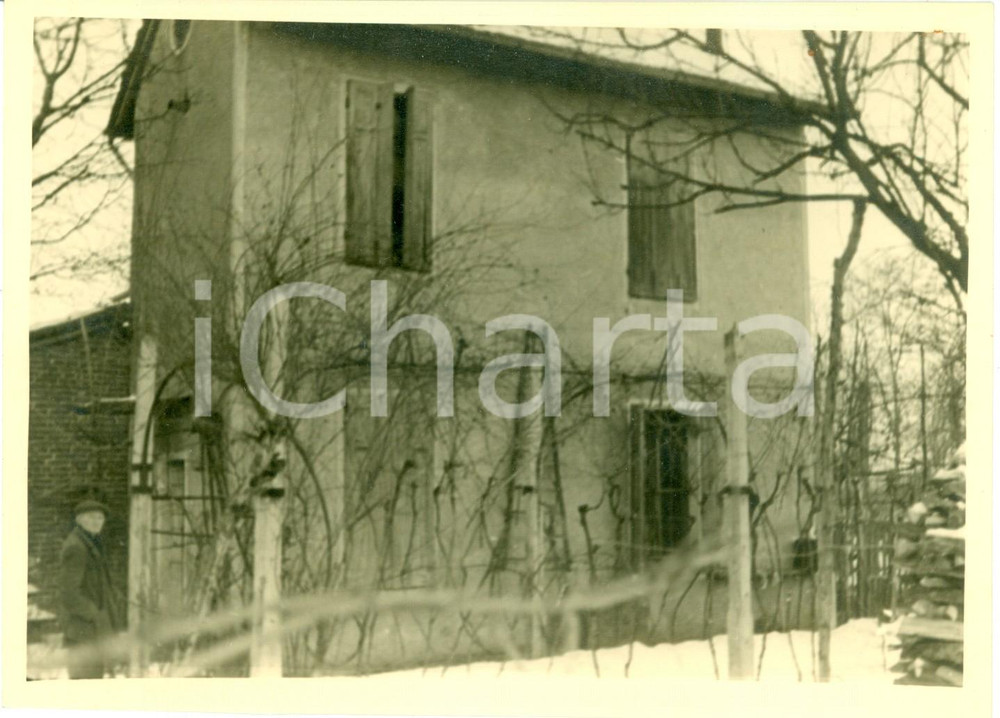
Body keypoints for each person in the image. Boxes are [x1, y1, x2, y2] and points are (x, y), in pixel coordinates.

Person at [59, 499, 118, 679]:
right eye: (92, 518)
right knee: (85, 683)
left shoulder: (90, 543)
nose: (97, 522)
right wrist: (94, 614)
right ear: (79, 520)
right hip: (83, 631)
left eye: (100, 518)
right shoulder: (77, 547)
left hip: (92, 631)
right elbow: (69, 593)